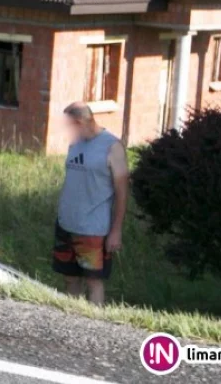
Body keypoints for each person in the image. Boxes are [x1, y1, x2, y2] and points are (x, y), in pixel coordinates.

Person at [52, 102, 129, 306]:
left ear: (80, 122)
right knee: (69, 277)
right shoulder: (75, 144)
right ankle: (72, 321)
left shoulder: (112, 147)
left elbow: (122, 192)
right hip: (66, 223)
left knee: (93, 280)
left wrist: (116, 230)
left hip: (93, 229)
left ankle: (94, 324)